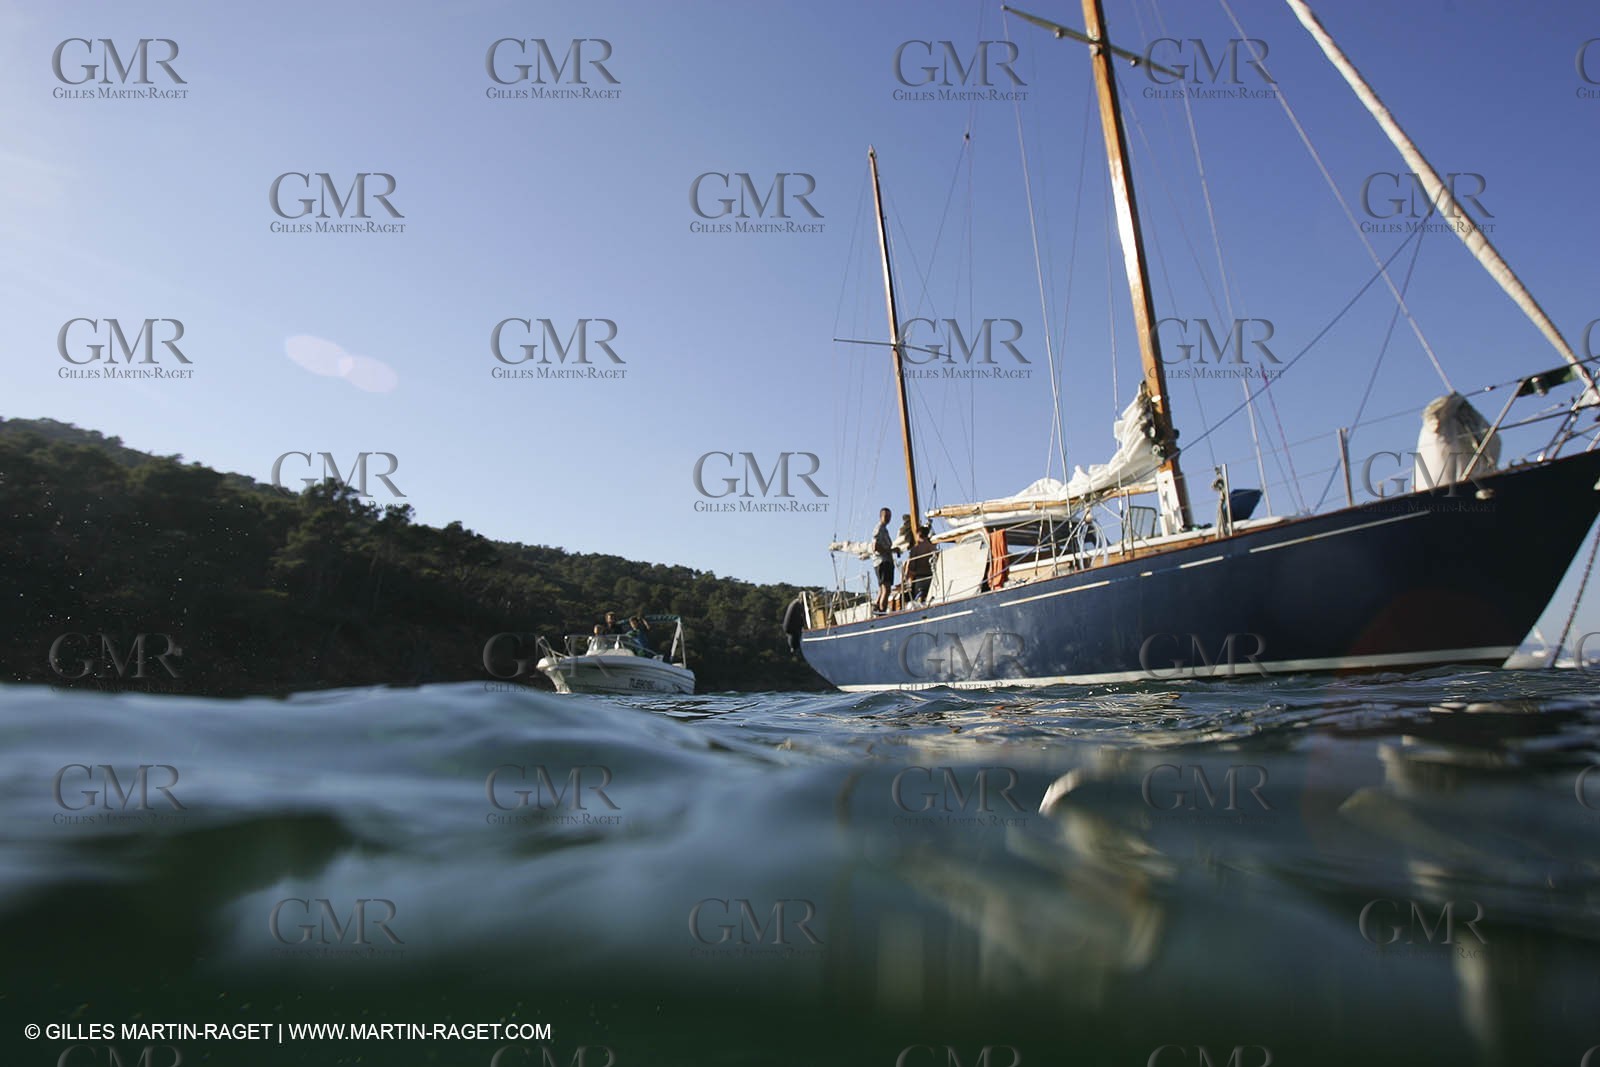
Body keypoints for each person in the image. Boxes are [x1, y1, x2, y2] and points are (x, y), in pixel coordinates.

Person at [872, 507, 896, 613]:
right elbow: (875, 546)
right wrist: (887, 551)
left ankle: (876, 607)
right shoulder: (879, 529)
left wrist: (892, 550)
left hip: (885, 561)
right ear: (881, 516)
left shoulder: (884, 529)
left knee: (882, 589)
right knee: (886, 589)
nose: (888, 518)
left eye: (889, 516)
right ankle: (882, 611)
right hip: (882, 561)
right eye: (886, 516)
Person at [906, 525, 935, 604]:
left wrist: (908, 581)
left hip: (920, 579)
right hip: (932, 578)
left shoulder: (915, 549)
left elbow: (911, 567)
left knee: (919, 602)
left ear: (918, 534)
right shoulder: (933, 548)